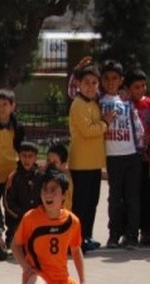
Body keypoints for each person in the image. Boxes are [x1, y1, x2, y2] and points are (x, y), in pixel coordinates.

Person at [11, 169, 97, 284]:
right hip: (38, 275)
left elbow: (76, 251)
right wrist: (26, 268)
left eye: (53, 190)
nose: (48, 194)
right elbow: (15, 245)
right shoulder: (31, 218)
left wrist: (83, 281)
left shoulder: (72, 221)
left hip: (61, 279)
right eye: (44, 190)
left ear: (64, 194)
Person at [99, 60, 144, 249]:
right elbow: (73, 93)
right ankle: (114, 234)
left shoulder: (126, 101)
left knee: (133, 197)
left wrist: (141, 148)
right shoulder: (98, 101)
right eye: (107, 78)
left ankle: (132, 235)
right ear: (102, 81)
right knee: (114, 198)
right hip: (113, 157)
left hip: (132, 156)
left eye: (115, 78)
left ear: (121, 80)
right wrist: (76, 72)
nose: (111, 82)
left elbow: (138, 126)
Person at [69, 64, 113, 253]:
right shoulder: (78, 104)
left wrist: (102, 122)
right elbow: (88, 131)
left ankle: (87, 235)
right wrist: (105, 124)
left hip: (94, 162)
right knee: (80, 203)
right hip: (81, 163)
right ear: (79, 84)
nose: (90, 86)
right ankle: (77, 239)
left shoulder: (94, 102)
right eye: (86, 82)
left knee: (92, 202)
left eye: (94, 83)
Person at [125, 69, 150, 245]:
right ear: (128, 89)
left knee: (146, 194)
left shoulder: (148, 103)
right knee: (130, 195)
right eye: (136, 87)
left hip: (146, 158)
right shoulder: (124, 104)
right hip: (129, 156)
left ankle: (146, 231)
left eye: (143, 86)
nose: (141, 90)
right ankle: (129, 230)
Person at [3, 141, 42, 246]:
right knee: (20, 243)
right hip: (18, 219)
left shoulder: (41, 177)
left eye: (30, 156)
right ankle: (12, 236)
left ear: (35, 158)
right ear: (19, 156)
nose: (27, 159)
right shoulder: (13, 177)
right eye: (24, 156)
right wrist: (23, 215)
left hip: (37, 218)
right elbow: (7, 203)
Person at [45, 142, 73, 210]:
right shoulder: (43, 178)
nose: (51, 165)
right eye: (48, 161)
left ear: (63, 165)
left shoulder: (66, 183)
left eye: (55, 162)